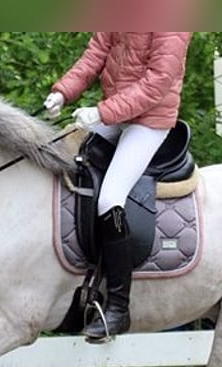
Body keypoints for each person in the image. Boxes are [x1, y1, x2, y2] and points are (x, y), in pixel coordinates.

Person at [44, 32, 192, 342]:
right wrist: (63, 92)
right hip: (117, 113)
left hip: (149, 120)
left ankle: (118, 308)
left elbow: (158, 82)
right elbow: (96, 53)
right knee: (58, 152)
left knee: (110, 200)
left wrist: (101, 113)